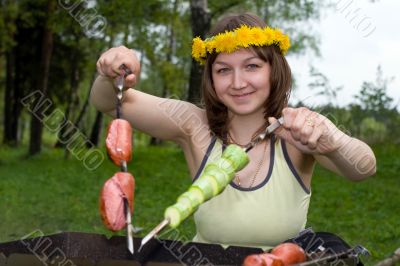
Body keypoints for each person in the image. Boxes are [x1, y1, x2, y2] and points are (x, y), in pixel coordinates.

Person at [90, 13, 376, 250]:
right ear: (211, 78)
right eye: (224, 70)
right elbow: (108, 101)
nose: (238, 83)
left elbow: (364, 168)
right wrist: (112, 72)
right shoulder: (192, 125)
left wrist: (332, 141)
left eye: (251, 66)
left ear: (273, 70)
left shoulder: (299, 132)